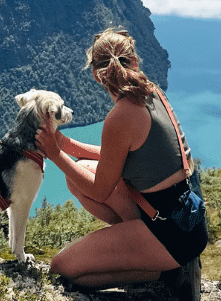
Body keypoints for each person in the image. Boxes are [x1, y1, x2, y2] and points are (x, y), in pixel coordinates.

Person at [35, 28, 207, 298]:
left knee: (62, 267)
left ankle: (163, 272)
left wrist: (55, 155)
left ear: (96, 74)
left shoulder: (120, 117)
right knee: (78, 173)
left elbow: (100, 191)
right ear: (135, 62)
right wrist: (66, 145)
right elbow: (121, 154)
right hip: (186, 220)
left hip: (170, 234)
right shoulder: (152, 91)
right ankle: (142, 253)